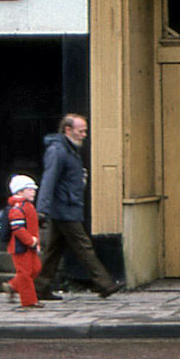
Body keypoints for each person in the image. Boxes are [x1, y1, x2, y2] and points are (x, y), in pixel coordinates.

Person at [36, 113, 118, 298]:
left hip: (67, 205)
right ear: (68, 130)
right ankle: (105, 283)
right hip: (65, 207)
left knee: (54, 250)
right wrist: (41, 210)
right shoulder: (58, 151)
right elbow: (48, 180)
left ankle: (40, 286)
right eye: (81, 131)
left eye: (85, 131)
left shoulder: (69, 149)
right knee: (83, 246)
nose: (84, 135)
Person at [2, 174, 43, 308]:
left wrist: (35, 242)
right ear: (20, 191)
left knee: (35, 269)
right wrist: (31, 241)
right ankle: (29, 301)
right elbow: (18, 229)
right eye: (29, 189)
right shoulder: (17, 208)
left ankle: (13, 285)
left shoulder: (27, 206)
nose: (33, 192)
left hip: (30, 245)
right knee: (25, 273)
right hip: (20, 246)